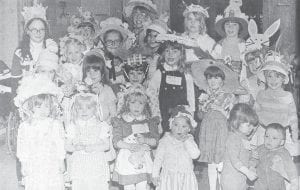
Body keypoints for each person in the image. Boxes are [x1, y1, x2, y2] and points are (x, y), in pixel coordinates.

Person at [15, 74, 65, 190]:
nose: (43, 110)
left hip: (51, 162)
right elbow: (22, 146)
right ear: (30, 107)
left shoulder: (54, 124)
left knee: (53, 184)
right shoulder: (25, 126)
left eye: (46, 106)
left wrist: (61, 160)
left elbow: (59, 143)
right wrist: (24, 163)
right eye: (38, 106)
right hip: (34, 163)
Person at [112, 86, 160, 190]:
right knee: (128, 185)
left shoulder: (149, 121)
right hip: (127, 157)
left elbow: (155, 141)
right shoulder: (121, 121)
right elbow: (116, 142)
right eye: (133, 103)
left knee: (142, 184)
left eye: (141, 103)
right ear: (127, 104)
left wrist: (145, 140)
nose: (137, 107)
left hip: (143, 158)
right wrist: (129, 146)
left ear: (145, 105)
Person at [197, 65, 236, 190]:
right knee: (210, 161)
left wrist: (219, 108)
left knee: (220, 161)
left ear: (222, 80)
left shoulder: (228, 96)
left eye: (217, 78)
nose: (213, 81)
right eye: (210, 78)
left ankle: (223, 186)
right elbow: (200, 116)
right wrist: (202, 106)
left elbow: (232, 117)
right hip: (208, 130)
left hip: (221, 129)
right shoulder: (204, 96)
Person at [147, 34, 195, 134]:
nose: (170, 54)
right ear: (163, 54)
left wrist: (191, 117)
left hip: (181, 118)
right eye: (167, 51)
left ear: (181, 54)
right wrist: (156, 118)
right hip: (163, 116)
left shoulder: (186, 74)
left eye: (174, 51)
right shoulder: (159, 73)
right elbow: (151, 93)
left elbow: (191, 97)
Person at [255, 51, 299, 156]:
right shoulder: (261, 94)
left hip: (282, 133)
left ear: (283, 79)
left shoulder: (287, 96)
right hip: (264, 133)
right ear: (265, 78)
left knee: (283, 162)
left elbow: (293, 118)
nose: (273, 80)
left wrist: (295, 136)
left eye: (277, 76)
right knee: (263, 161)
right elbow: (255, 115)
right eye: (270, 76)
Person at [65, 92, 111, 190]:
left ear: (95, 109)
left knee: (97, 185)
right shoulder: (73, 126)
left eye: (88, 108)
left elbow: (107, 146)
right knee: (80, 185)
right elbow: (67, 146)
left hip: (96, 161)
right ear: (75, 109)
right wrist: (75, 147)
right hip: (79, 162)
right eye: (80, 108)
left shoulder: (101, 125)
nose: (84, 111)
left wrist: (93, 147)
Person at [11, 2, 58, 96]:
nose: (38, 32)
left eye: (41, 29)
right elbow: (15, 82)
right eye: (34, 29)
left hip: (48, 93)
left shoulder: (52, 49)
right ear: (28, 31)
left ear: (45, 31)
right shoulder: (19, 53)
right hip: (26, 95)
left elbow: (57, 77)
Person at [152, 105, 200, 190]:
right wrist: (155, 175)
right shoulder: (165, 140)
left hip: (186, 176)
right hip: (169, 176)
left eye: (183, 126)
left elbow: (195, 155)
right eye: (176, 125)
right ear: (171, 125)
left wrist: (186, 142)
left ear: (189, 129)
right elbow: (158, 159)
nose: (179, 129)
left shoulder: (189, 139)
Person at [221, 103, 259, 190]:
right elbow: (235, 160)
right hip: (231, 179)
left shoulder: (244, 137)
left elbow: (245, 155)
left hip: (241, 178)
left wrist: (252, 162)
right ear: (236, 123)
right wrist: (248, 172)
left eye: (253, 125)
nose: (252, 128)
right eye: (248, 125)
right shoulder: (233, 138)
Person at [250, 123, 299, 190]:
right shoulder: (260, 149)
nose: (269, 140)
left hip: (276, 185)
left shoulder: (283, 153)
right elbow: (254, 159)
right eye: (267, 136)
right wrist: (251, 166)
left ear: (281, 142)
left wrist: (294, 182)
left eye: (274, 138)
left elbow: (290, 168)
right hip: (260, 184)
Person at [98, 17, 135, 87]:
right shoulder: (101, 60)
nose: (113, 44)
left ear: (121, 43)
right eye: (109, 41)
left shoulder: (128, 59)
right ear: (104, 43)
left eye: (116, 41)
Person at [214, 0, 248, 73]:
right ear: (223, 27)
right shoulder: (219, 45)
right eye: (227, 24)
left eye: (234, 25)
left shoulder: (245, 45)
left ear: (240, 27)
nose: (230, 28)